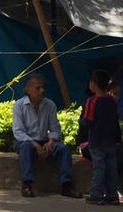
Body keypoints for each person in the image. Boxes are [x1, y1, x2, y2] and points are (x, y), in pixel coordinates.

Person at [12, 74, 81, 198]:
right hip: (27, 142)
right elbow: (18, 131)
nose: (42, 91)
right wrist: (35, 144)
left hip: (44, 141)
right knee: (25, 148)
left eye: (43, 87)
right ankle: (26, 185)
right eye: (37, 88)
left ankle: (67, 186)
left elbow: (55, 128)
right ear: (28, 89)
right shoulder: (19, 106)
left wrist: (51, 141)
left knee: (63, 149)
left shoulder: (50, 105)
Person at [80, 69, 121, 205]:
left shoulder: (92, 101)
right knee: (111, 168)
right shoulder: (112, 101)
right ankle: (112, 195)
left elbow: (88, 121)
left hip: (96, 142)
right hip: (110, 141)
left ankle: (96, 194)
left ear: (94, 84)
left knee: (99, 168)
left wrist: (83, 121)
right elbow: (115, 120)